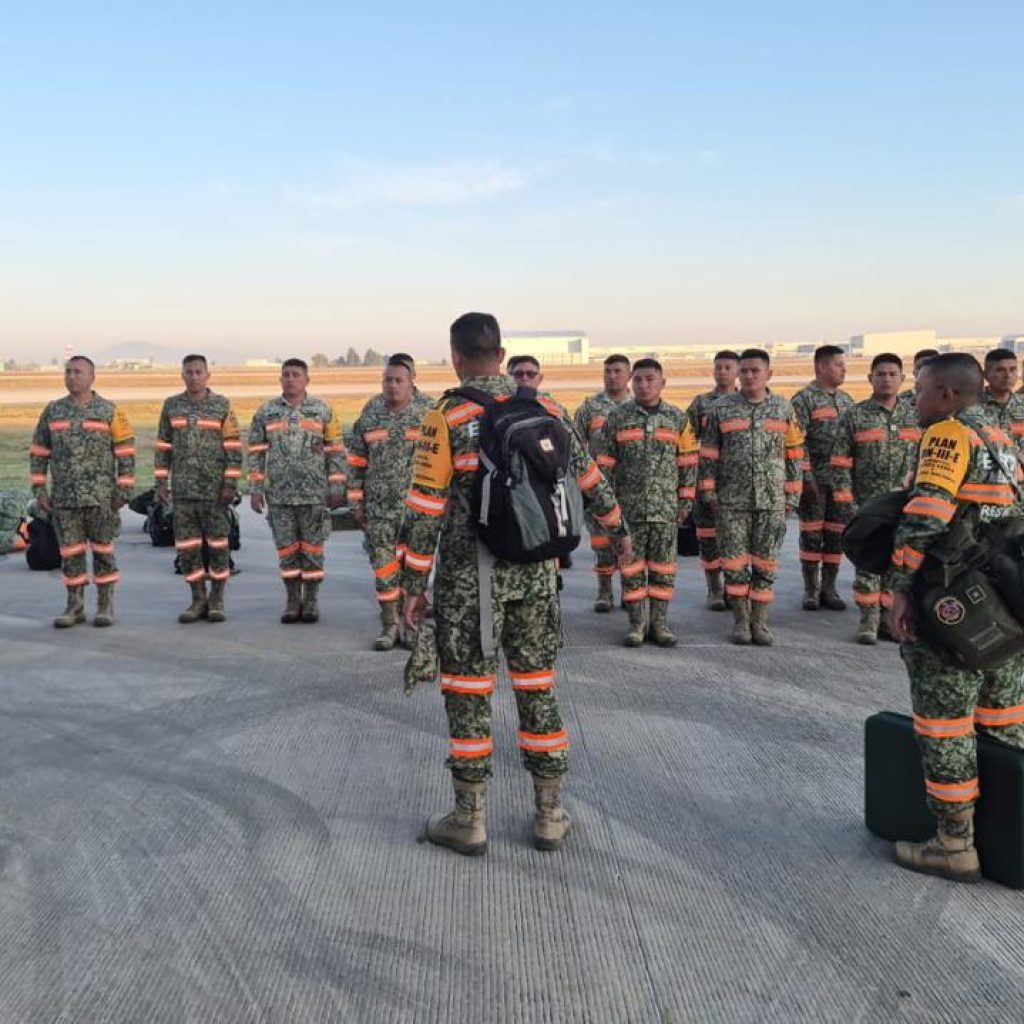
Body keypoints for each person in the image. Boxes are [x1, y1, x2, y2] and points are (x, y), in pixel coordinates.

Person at [400, 312, 630, 857]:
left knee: (469, 694)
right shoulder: (547, 408)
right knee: (537, 687)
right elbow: (588, 477)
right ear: (502, 356)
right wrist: (617, 529)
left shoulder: (446, 417)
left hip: (470, 584)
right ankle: (549, 814)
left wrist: (413, 583)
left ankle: (469, 819)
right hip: (537, 574)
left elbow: (425, 508)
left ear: (456, 357)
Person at [889, 353, 1024, 883]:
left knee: (944, 725)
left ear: (945, 394)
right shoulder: (1002, 436)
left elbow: (927, 514)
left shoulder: (947, 434)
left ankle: (954, 843)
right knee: (1003, 719)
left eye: (920, 389)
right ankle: (1007, 826)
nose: (914, 399)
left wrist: (901, 586)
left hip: (954, 606)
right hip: (1003, 603)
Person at [697, 349, 803, 646]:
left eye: (755, 370)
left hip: (771, 501)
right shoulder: (720, 409)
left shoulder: (783, 409)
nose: (749, 376)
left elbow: (794, 453)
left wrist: (793, 494)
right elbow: (708, 454)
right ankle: (741, 621)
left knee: (766, 564)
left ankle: (760, 622)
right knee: (734, 565)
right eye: (744, 371)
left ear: (769, 374)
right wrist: (708, 491)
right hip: (731, 502)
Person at [29, 355, 135, 628]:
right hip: (65, 499)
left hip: (101, 499)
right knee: (70, 554)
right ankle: (74, 606)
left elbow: (125, 453)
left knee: (103, 552)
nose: (71, 377)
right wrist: (40, 489)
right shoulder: (53, 411)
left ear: (92, 377)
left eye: (78, 372)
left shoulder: (109, 411)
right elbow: (39, 452)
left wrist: (124, 489)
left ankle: (105, 605)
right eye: (68, 372)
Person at [597, 359, 696, 647]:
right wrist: (609, 509)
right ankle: (637, 625)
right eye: (638, 379)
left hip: (666, 512)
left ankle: (659, 624)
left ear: (662, 382)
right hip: (629, 512)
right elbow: (605, 467)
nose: (643, 385)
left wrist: (686, 501)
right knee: (631, 570)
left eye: (650, 379)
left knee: (663, 569)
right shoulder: (617, 418)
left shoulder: (677, 418)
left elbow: (688, 463)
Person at [830, 354, 920, 643]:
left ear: (902, 379)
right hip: (868, 505)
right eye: (881, 374)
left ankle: (888, 620)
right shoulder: (855, 416)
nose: (887, 379)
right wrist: (846, 502)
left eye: (893, 374)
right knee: (868, 563)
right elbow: (840, 463)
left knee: (898, 565)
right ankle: (868, 621)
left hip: (906, 506)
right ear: (870, 378)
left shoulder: (915, 415)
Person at [248, 359, 346, 623]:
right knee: (287, 551)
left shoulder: (322, 410)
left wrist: (336, 486)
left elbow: (336, 451)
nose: (290, 379)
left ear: (306, 380)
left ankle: (311, 601)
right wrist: (255, 489)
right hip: (279, 496)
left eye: (296, 375)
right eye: (286, 375)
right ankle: (292, 600)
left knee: (313, 551)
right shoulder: (266, 412)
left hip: (314, 495)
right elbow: (256, 453)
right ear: (280, 379)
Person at [347, 355, 432, 650]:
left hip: (418, 509)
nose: (392, 385)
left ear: (411, 383)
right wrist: (356, 502)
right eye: (387, 380)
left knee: (415, 572)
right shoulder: (370, 414)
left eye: (398, 380)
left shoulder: (428, 413)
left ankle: (411, 626)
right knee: (384, 570)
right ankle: (390, 625)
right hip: (379, 509)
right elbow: (356, 461)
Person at [154, 354, 243, 623]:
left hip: (214, 492)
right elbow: (163, 446)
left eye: (198, 372)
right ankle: (197, 598)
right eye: (189, 372)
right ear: (182, 375)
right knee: (187, 549)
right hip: (183, 492)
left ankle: (217, 599)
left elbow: (233, 447)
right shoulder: (172, 405)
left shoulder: (221, 405)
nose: (194, 377)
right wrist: (161, 482)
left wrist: (230, 484)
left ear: (207, 375)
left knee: (218, 547)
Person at [790, 345, 854, 610]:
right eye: (838, 365)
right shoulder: (803, 400)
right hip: (814, 483)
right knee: (812, 536)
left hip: (840, 484)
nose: (844, 370)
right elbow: (796, 442)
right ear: (821, 367)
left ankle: (829, 588)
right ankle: (811, 589)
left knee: (836, 535)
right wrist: (806, 477)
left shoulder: (847, 401)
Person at [574, 354, 632, 611]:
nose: (612, 376)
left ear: (629, 375)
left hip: (630, 488)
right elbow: (576, 444)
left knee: (629, 542)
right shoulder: (590, 406)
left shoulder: (637, 406)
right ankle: (604, 592)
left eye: (618, 371)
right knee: (601, 543)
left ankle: (630, 591)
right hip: (598, 488)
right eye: (608, 371)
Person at [685, 350, 740, 610]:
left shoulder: (745, 403)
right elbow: (686, 439)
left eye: (728, 367)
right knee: (708, 537)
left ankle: (733, 586)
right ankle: (714, 588)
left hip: (737, 484)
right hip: (707, 480)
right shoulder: (701, 403)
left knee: (735, 539)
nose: (722, 372)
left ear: (737, 371)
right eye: (718, 367)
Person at [981, 348, 1024, 455]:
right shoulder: (970, 407)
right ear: (986, 375)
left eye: (1012, 369)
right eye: (1000, 370)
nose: (1008, 375)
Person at [896, 348, 940, 413]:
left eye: (931, 367)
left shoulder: (951, 399)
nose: (925, 371)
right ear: (914, 372)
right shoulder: (900, 401)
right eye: (920, 367)